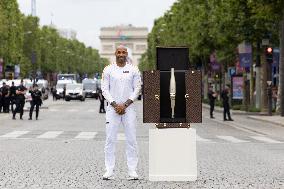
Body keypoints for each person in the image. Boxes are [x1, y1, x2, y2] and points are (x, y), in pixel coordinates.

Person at [101, 45, 141, 180]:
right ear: (115, 53)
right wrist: (114, 104)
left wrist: (125, 104)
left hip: (129, 109)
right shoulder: (108, 69)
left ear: (127, 53)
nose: (121, 54)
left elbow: (137, 89)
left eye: (124, 52)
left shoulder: (134, 69)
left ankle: (132, 170)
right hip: (112, 109)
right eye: (119, 52)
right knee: (110, 140)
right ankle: (109, 170)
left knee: (131, 140)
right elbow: (104, 89)